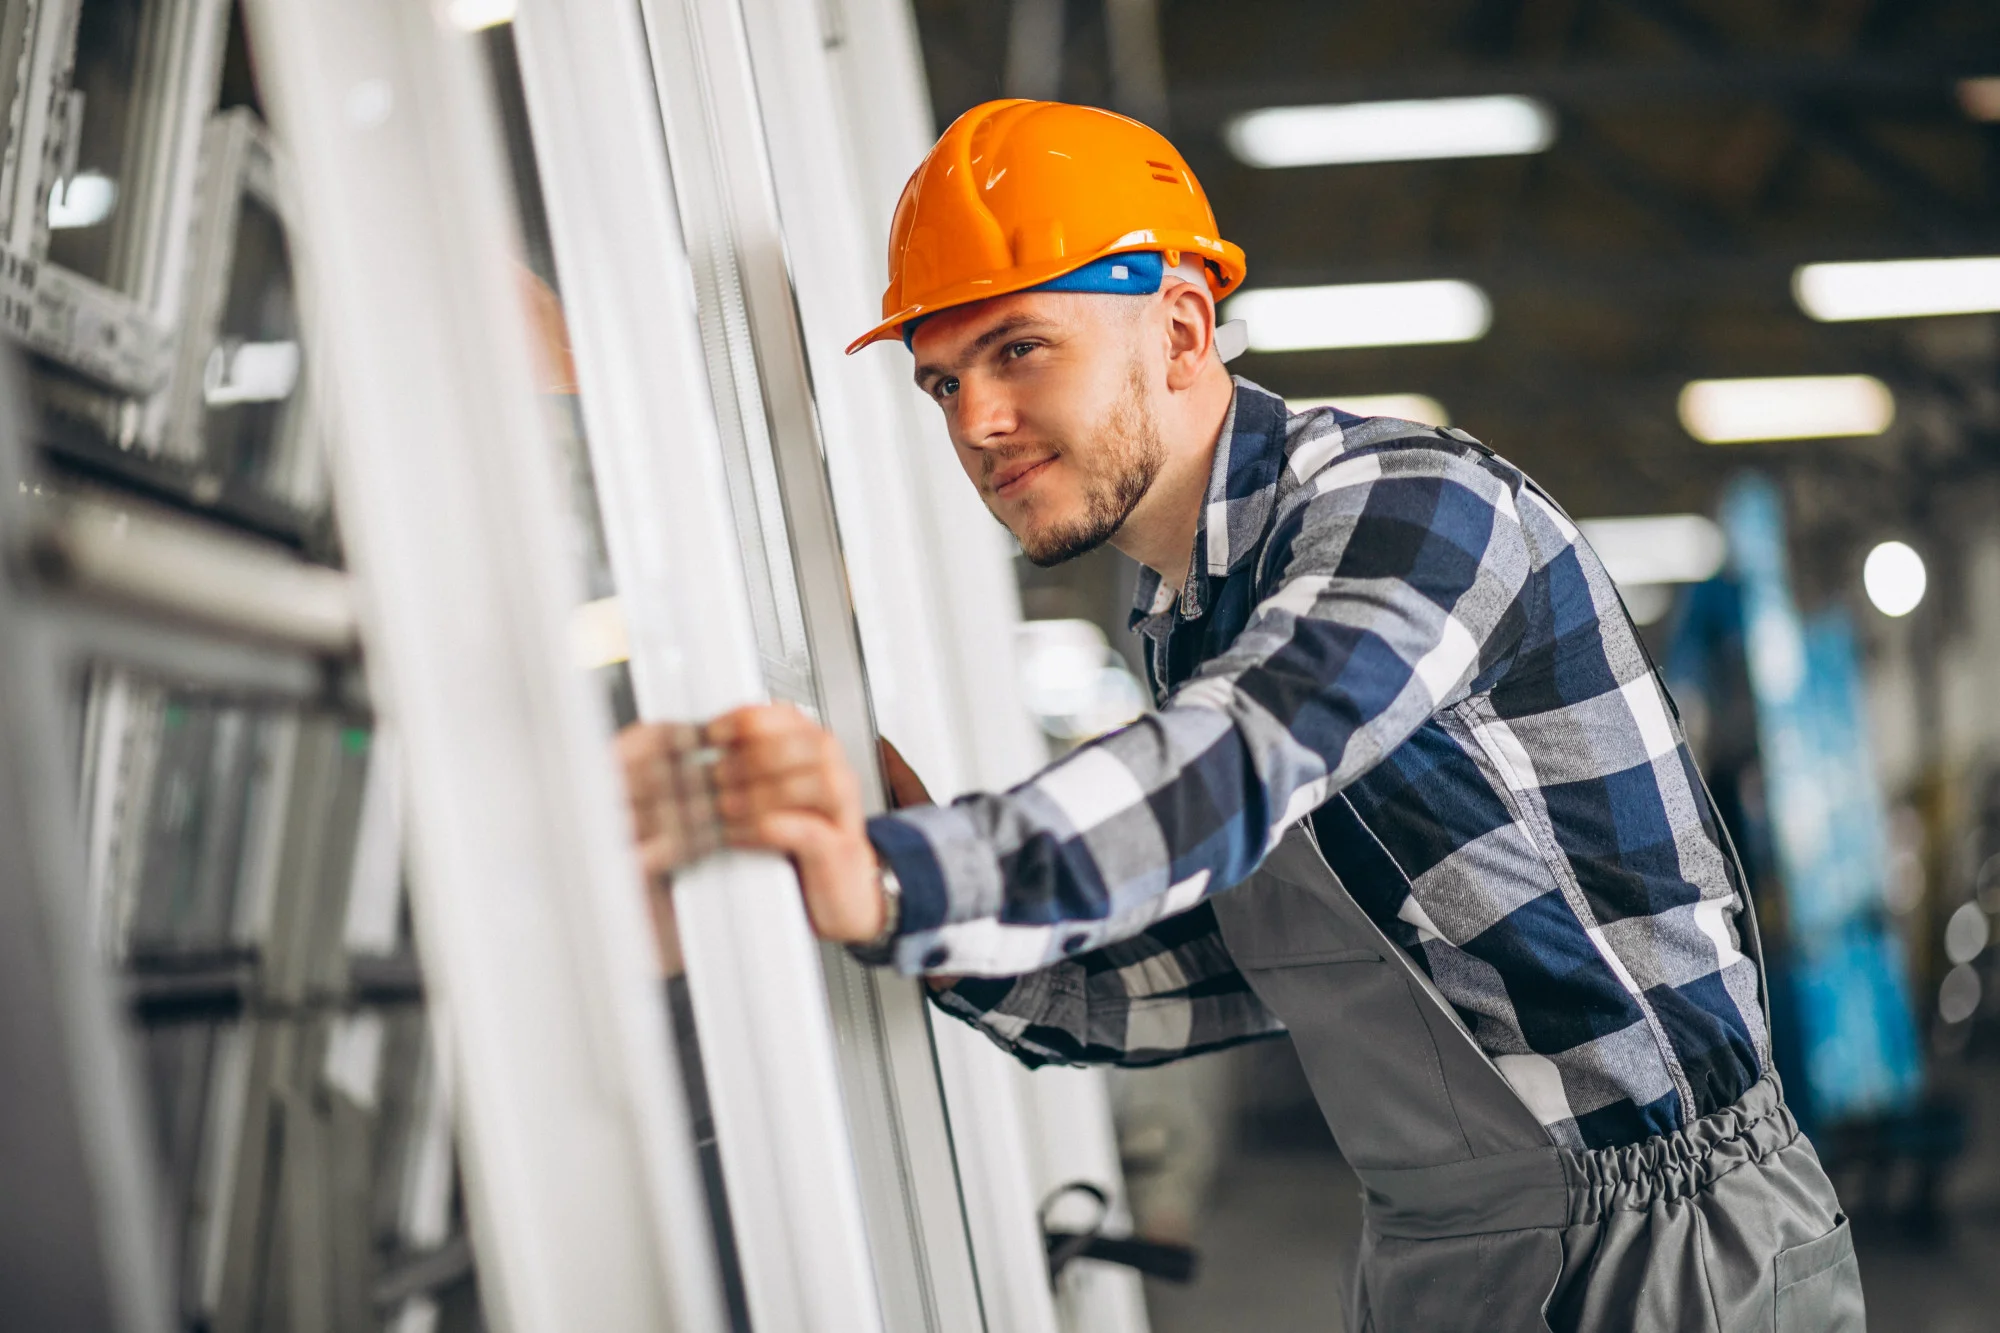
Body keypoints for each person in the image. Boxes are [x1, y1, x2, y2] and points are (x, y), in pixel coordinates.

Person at [619, 99, 1863, 1332]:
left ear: (1178, 326)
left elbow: (1248, 752)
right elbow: (1250, 970)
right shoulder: (1187, 620)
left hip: (1673, 1251)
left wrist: (908, 875)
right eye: (940, 381)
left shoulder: (1408, 508)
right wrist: (918, 908)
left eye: (1018, 349)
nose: (974, 424)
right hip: (1448, 1253)